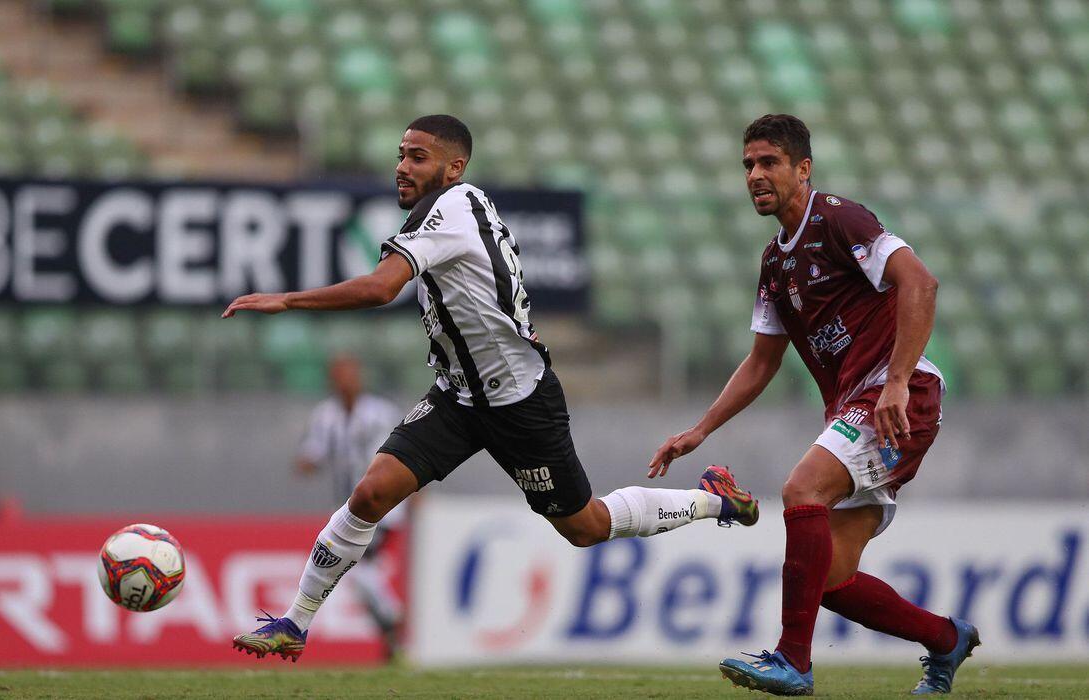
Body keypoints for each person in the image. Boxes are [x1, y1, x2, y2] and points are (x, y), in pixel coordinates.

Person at [223, 114, 761, 663]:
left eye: (418, 157)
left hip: (518, 402)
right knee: (370, 493)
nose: (402, 167)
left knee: (586, 526)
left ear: (454, 168)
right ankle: (295, 622)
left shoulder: (452, 209)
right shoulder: (441, 211)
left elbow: (381, 288)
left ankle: (710, 500)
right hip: (457, 397)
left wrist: (287, 300)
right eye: (401, 154)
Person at [648, 114, 978, 696]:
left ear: (803, 169)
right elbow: (761, 363)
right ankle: (946, 639)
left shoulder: (839, 219)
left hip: (898, 396)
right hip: (860, 405)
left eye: (768, 162)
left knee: (802, 491)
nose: (754, 174)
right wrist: (700, 431)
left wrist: (898, 380)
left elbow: (920, 283)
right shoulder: (775, 264)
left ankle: (793, 661)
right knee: (826, 578)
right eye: (748, 164)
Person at [294, 353, 404, 658]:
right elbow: (313, 453)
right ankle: (390, 625)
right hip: (349, 510)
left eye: (350, 374)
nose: (345, 380)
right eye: (339, 375)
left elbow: (403, 456)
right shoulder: (326, 415)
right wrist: (306, 463)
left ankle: (392, 618)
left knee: (359, 566)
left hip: (384, 504)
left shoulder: (380, 413)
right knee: (356, 572)